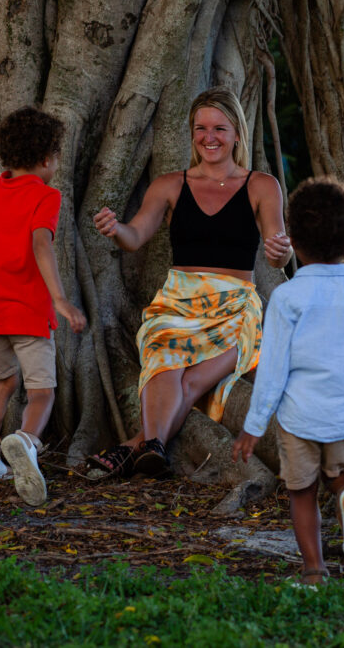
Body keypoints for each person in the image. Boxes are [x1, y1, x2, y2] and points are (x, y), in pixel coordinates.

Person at [88, 86, 294, 478]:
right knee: (163, 360)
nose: (209, 137)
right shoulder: (169, 185)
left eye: (219, 128)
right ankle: (151, 448)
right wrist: (115, 230)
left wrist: (280, 252)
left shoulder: (261, 185)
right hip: (177, 304)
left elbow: (277, 252)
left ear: (237, 133)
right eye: (201, 128)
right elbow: (135, 238)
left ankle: (137, 447)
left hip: (235, 309)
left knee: (197, 380)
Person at [231, 176, 344, 584]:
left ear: (294, 242)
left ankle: (313, 570)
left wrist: (253, 426)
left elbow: (274, 366)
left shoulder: (287, 297)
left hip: (299, 416)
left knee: (302, 492)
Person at [0, 106, 86, 506]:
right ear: (47, 159)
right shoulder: (46, 195)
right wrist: (60, 299)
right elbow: (42, 243)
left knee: (2, 384)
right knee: (42, 392)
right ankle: (25, 442)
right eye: (57, 157)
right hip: (30, 313)